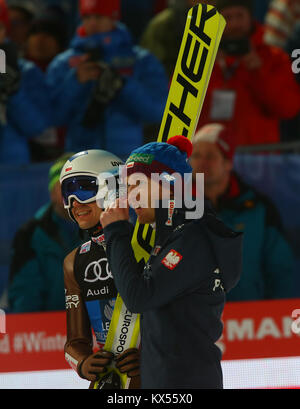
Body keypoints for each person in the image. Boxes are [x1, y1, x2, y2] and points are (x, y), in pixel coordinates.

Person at [100, 135, 243, 389]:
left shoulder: (192, 236)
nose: (131, 197)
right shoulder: (174, 234)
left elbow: (138, 297)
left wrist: (117, 231)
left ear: (168, 184)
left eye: (136, 185)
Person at [46, 0, 169, 159]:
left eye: (98, 16)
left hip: (128, 156)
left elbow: (158, 111)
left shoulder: (140, 60)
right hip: (81, 157)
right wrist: (76, 81)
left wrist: (123, 85)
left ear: (114, 17)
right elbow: (52, 118)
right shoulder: (64, 63)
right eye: (87, 17)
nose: (92, 23)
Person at [60, 149, 140, 389]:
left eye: (83, 188)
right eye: (67, 193)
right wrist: (84, 364)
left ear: (113, 187)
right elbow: (74, 343)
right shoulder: (74, 262)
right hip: (110, 381)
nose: (74, 203)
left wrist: (155, 356)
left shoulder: (151, 245)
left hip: (161, 378)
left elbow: (182, 323)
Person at [190, 123, 294, 301]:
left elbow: (281, 269)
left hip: (249, 321)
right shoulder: (175, 207)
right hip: (193, 321)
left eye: (210, 156)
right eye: (196, 155)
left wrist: (276, 315)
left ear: (228, 163)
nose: (201, 162)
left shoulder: (259, 209)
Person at [195, 0, 300, 147]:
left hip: (258, 158)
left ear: (250, 18)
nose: (234, 24)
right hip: (209, 156)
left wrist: (258, 72)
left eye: (240, 16)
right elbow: (180, 107)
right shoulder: (199, 58)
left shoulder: (274, 58)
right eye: (228, 17)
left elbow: (289, 108)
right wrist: (211, 68)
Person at [8, 153, 82, 313]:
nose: (73, 192)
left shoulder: (105, 226)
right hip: (47, 331)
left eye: (78, 184)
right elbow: (25, 294)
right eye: (65, 185)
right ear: (52, 193)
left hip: (97, 326)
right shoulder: (29, 235)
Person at [0, 0, 53, 164]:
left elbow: (38, 128)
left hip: (13, 168)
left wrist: (14, 93)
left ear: (5, 31)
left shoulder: (26, 71)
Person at [140, 0, 212, 79]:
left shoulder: (210, 21)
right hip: (168, 81)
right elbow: (152, 62)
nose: (208, 3)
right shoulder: (164, 23)